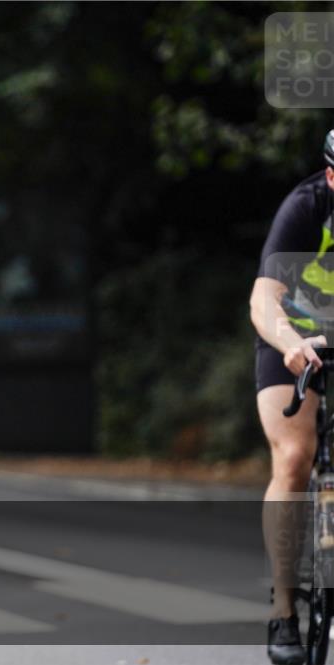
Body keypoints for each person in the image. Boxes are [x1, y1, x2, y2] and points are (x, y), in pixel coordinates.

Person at [250, 129, 334, 665]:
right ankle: (284, 607)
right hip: (296, 335)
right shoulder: (306, 207)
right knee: (294, 456)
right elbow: (264, 300)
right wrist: (290, 343)